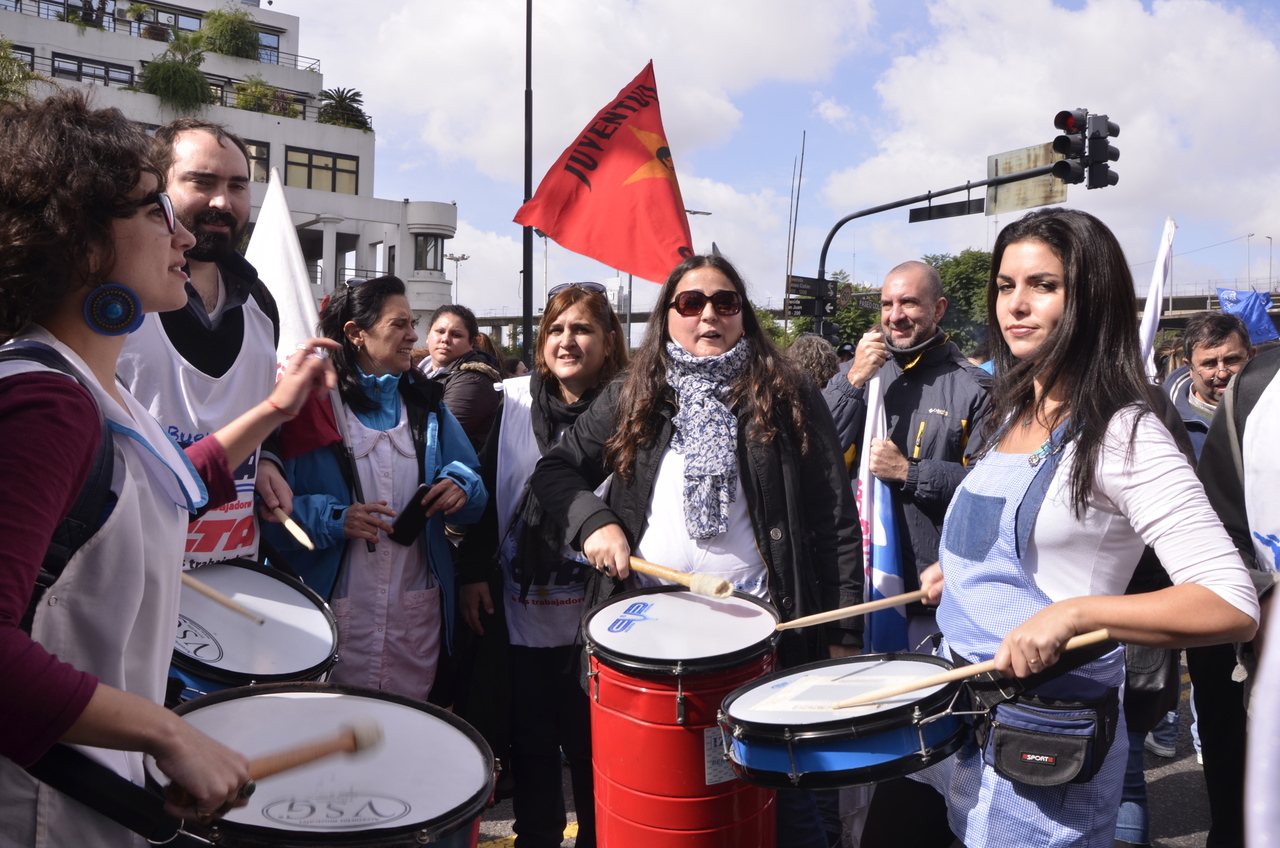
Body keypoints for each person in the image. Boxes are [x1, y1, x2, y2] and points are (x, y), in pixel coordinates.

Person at [0, 90, 336, 845]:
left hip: (88, 793)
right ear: (82, 239)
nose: (182, 231)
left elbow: (170, 483)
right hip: (37, 810)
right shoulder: (47, 404)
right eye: (157, 210)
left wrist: (275, 410)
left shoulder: (89, 387)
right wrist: (167, 731)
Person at [907, 208, 1258, 848]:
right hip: (962, 725)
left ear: (1090, 298)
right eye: (1006, 285)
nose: (1016, 305)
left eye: (1043, 285)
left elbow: (1230, 602)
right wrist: (957, 569)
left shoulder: (1125, 432)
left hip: (1045, 741)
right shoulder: (1011, 412)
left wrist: (1073, 615)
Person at [531, 254, 863, 848]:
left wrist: (842, 634)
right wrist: (595, 523)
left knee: (787, 810)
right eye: (691, 302)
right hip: (649, 644)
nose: (708, 314)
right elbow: (555, 471)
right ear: (668, 315)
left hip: (766, 640)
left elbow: (833, 517)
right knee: (668, 808)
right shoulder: (634, 391)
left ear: (743, 314)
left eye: (724, 302)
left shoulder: (787, 391)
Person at [261, 276, 486, 702]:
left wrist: (461, 485)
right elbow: (268, 515)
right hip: (325, 615)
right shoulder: (309, 408)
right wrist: (334, 520)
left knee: (403, 728)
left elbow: (471, 483)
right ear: (355, 333)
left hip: (411, 620)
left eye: (413, 323)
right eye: (399, 324)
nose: (413, 335)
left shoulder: (426, 404)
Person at [458, 282, 628, 848]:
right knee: (530, 743)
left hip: (599, 616)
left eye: (582, 329)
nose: (566, 341)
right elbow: (484, 494)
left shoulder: (633, 411)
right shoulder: (510, 403)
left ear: (609, 340)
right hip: (521, 611)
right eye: (555, 329)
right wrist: (473, 573)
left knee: (590, 746)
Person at [117, 118, 288, 569]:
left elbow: (258, 406)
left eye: (237, 186)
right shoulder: (116, 301)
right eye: (203, 182)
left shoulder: (260, 303)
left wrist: (267, 460)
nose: (223, 202)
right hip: (134, 579)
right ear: (158, 188)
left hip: (234, 576)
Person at [823, 260, 992, 647]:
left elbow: (988, 492)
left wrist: (908, 472)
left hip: (928, 599)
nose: (895, 316)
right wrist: (852, 380)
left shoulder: (977, 389)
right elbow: (814, 456)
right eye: (887, 304)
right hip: (856, 588)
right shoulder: (856, 376)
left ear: (938, 309)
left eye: (909, 303)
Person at [419, 304, 502, 452]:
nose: (445, 339)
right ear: (428, 335)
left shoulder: (473, 381)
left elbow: (435, 437)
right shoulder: (414, 373)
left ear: (472, 342)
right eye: (440, 331)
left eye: (456, 335)